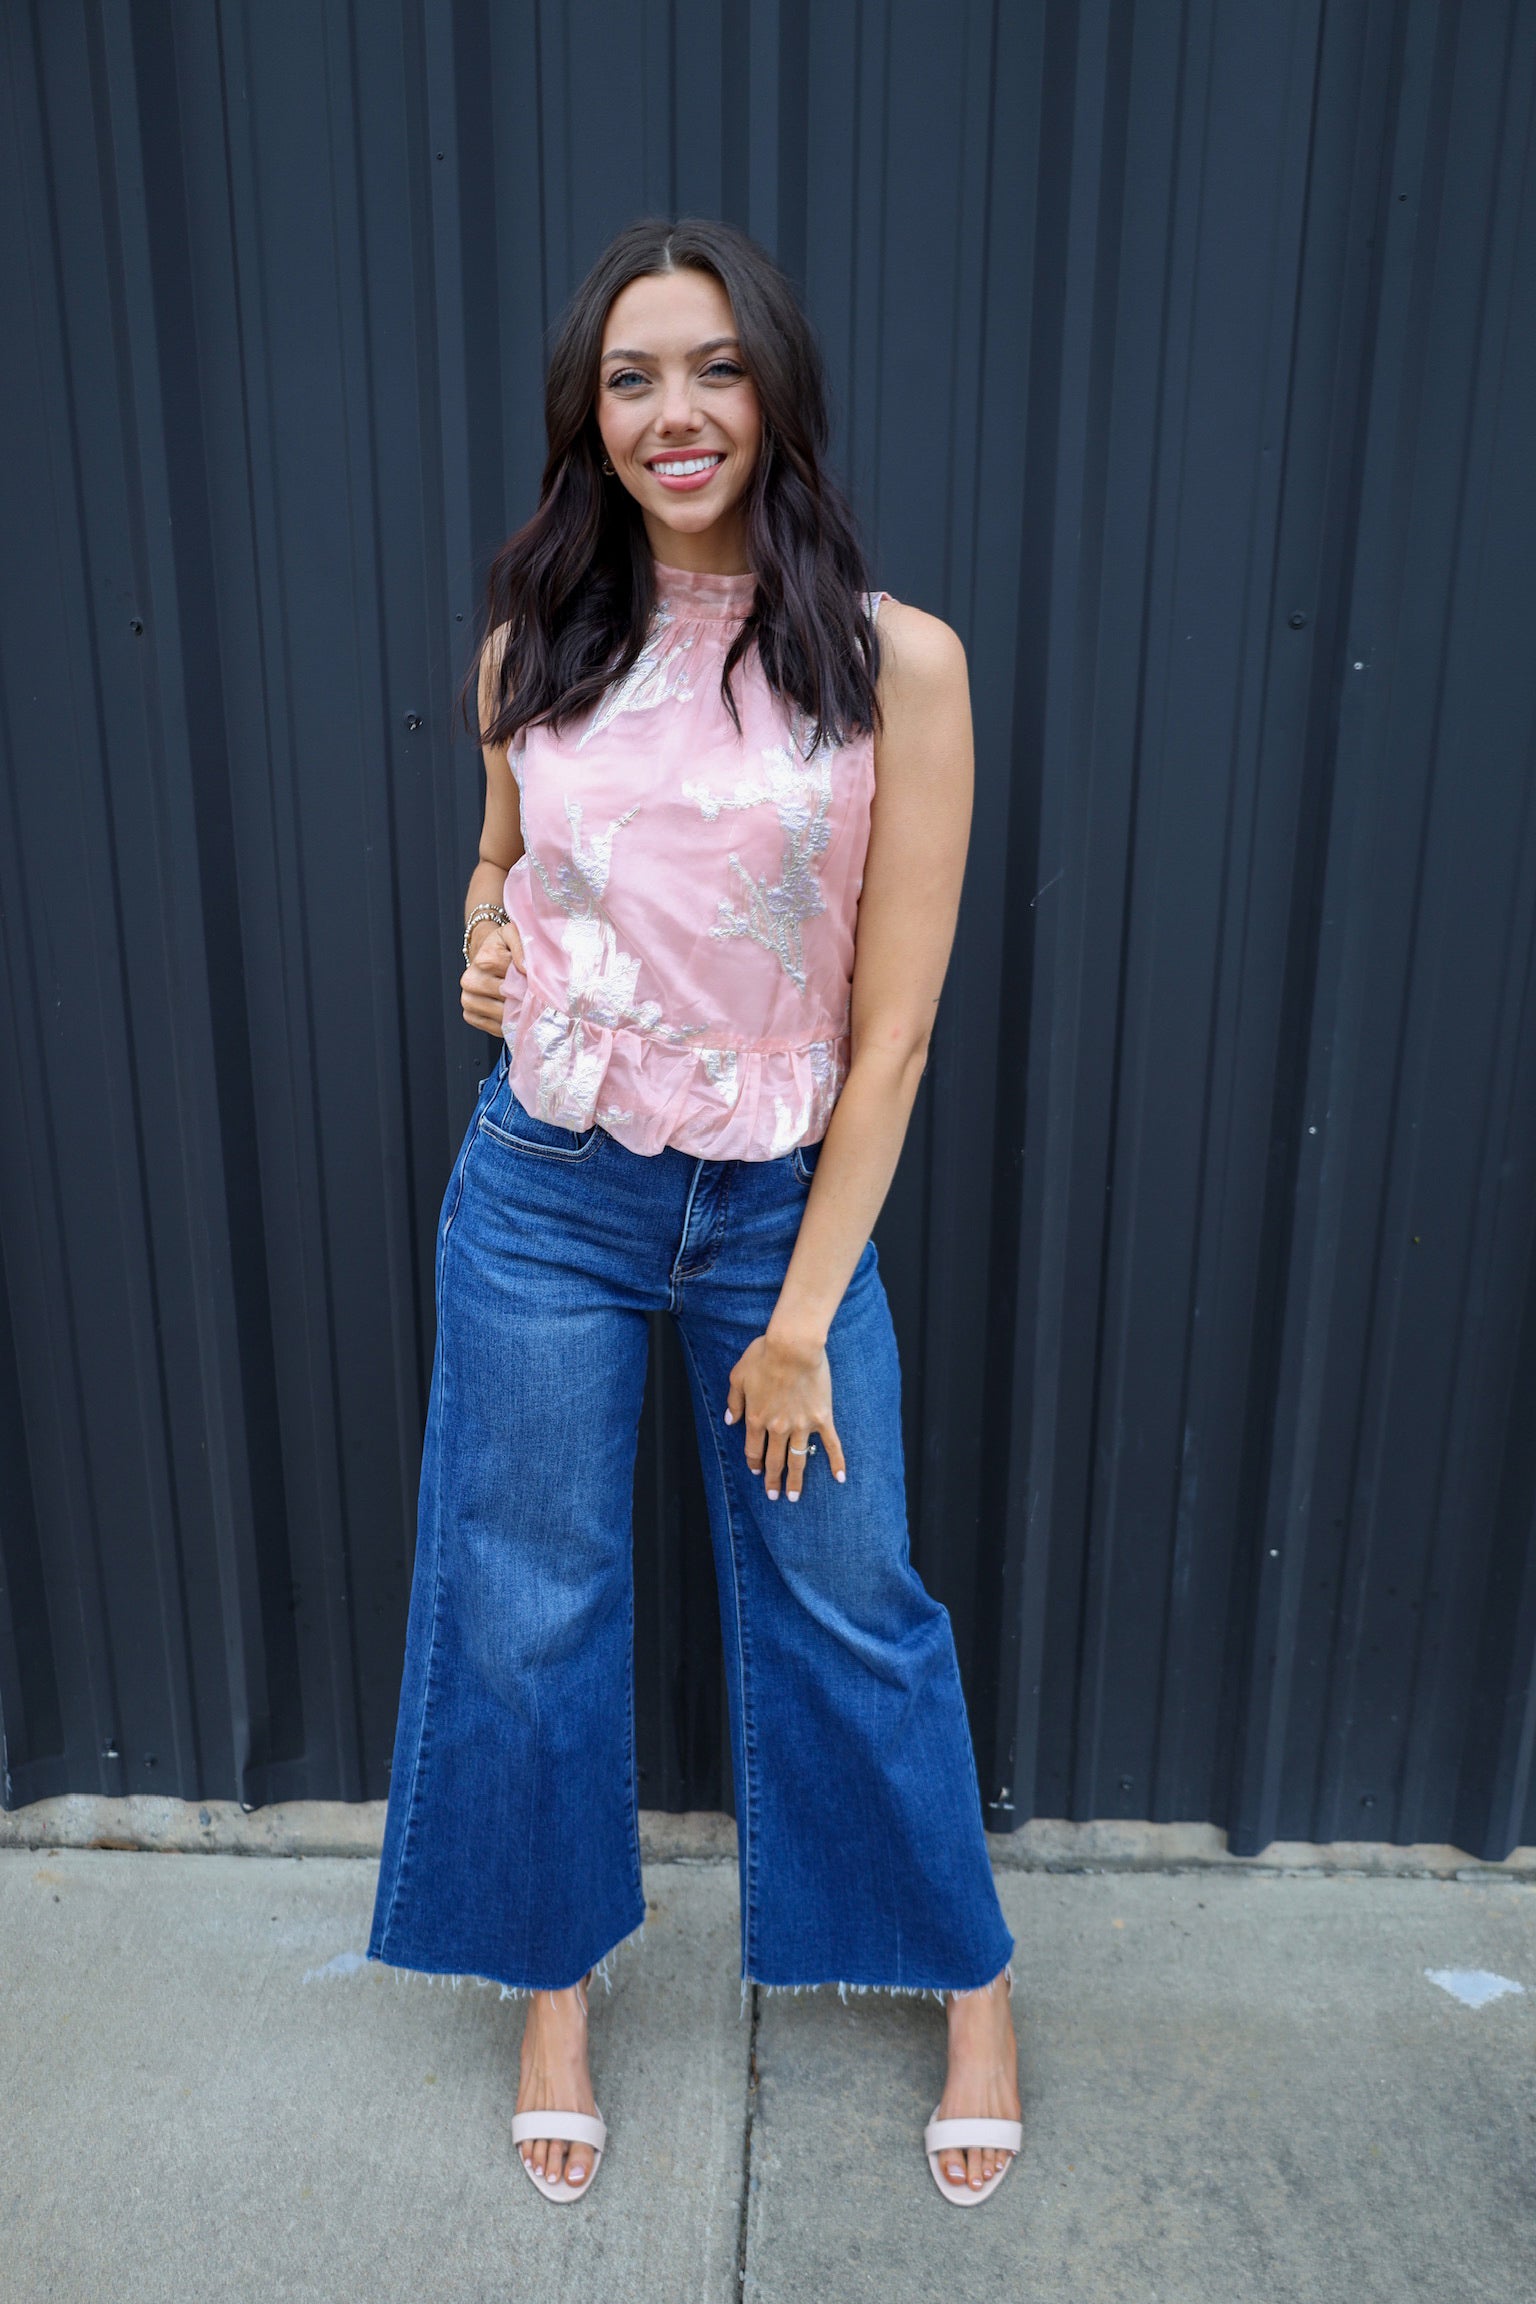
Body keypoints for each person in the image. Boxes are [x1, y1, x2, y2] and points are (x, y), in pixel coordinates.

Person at [366, 215, 1022, 2208]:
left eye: (715, 369)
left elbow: (893, 1029)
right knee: (526, 1606)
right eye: (636, 376)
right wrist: (482, 949)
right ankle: (556, 1982)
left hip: (771, 1219)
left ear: (774, 397)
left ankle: (970, 1983)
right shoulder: (527, 648)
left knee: (857, 1602)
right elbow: (499, 877)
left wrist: (806, 1311)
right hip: (546, 1194)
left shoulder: (894, 664)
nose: (677, 411)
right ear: (589, 411)